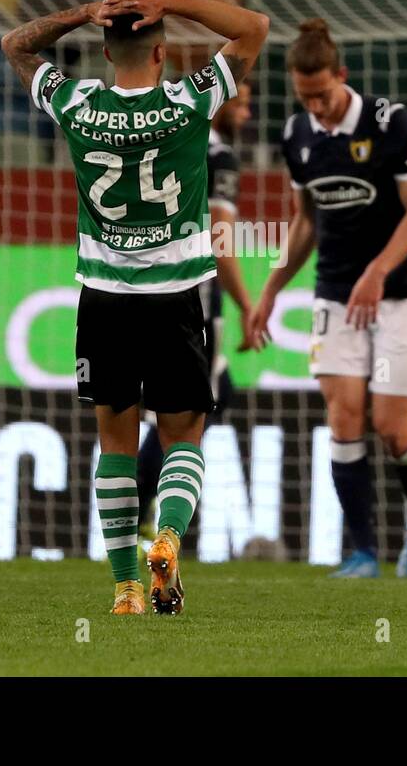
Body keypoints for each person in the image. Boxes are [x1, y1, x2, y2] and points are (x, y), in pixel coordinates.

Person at [3, 0, 268, 614]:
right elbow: (253, 28)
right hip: (174, 298)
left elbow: (15, 45)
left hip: (103, 299)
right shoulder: (188, 101)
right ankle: (169, 536)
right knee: (183, 437)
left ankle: (125, 589)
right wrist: (173, 0)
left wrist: (78, 13)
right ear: (162, 51)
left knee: (116, 444)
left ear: (102, 49)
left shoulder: (78, 103)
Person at [249, 18, 407, 579]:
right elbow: (304, 223)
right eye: (306, 98)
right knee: (343, 417)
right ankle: (362, 552)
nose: (318, 109)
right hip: (334, 292)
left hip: (398, 292)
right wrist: (269, 291)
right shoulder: (297, 136)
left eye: (325, 96)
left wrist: (379, 269)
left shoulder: (388, 122)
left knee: (393, 426)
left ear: (343, 77)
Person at [136, 82, 265, 546]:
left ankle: (142, 509)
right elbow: (220, 241)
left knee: (215, 391)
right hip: (194, 295)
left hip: (138, 283)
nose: (247, 115)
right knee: (186, 413)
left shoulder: (166, 137)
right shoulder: (219, 155)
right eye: (242, 103)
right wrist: (250, 305)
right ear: (220, 99)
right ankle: (143, 517)